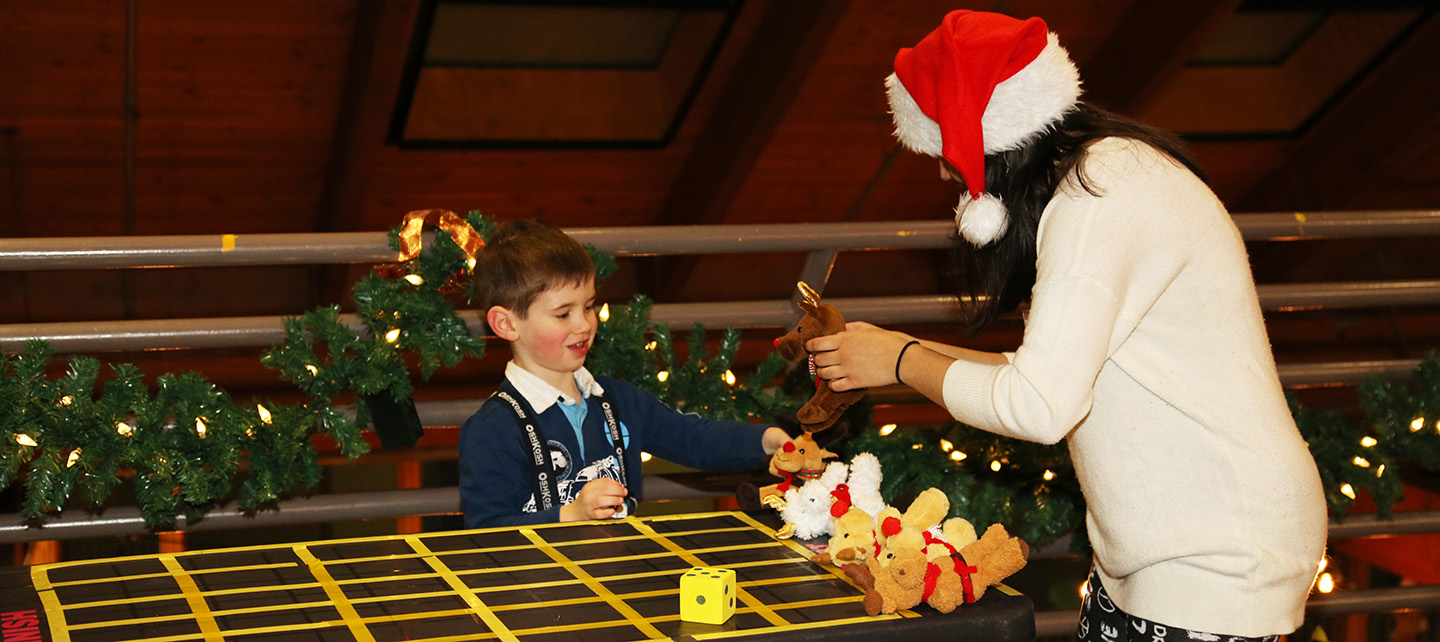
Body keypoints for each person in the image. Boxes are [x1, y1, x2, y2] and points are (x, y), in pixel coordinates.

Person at [806, 10, 1326, 640]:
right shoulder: (1109, 176)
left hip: (1215, 564)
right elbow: (1045, 380)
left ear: (986, 139)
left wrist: (899, 362)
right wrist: (893, 352)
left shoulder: (1100, 193)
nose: (944, 174)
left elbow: (1039, 406)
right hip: (1168, 562)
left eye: (944, 154)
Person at [459, 219, 789, 528]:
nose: (584, 324)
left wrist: (765, 441)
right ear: (506, 324)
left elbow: (693, 438)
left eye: (588, 306)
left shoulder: (618, 400)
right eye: (563, 314)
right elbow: (485, 531)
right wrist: (569, 515)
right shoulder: (492, 430)